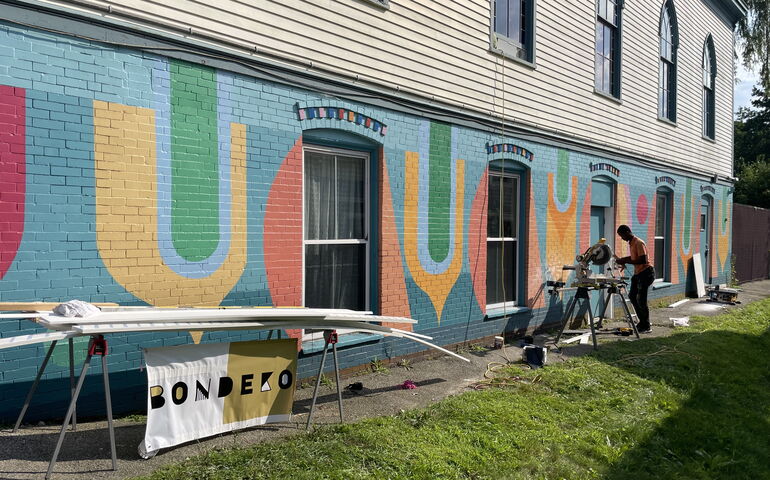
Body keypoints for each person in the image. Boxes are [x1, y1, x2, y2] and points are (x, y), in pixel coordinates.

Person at [614, 224, 655, 333]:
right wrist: (622, 260)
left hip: (646, 273)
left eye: (622, 236)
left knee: (641, 300)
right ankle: (642, 322)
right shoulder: (631, 243)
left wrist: (625, 261)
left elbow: (643, 260)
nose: (622, 239)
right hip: (638, 273)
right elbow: (633, 258)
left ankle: (646, 326)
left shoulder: (639, 242)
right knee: (632, 296)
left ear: (627, 232)